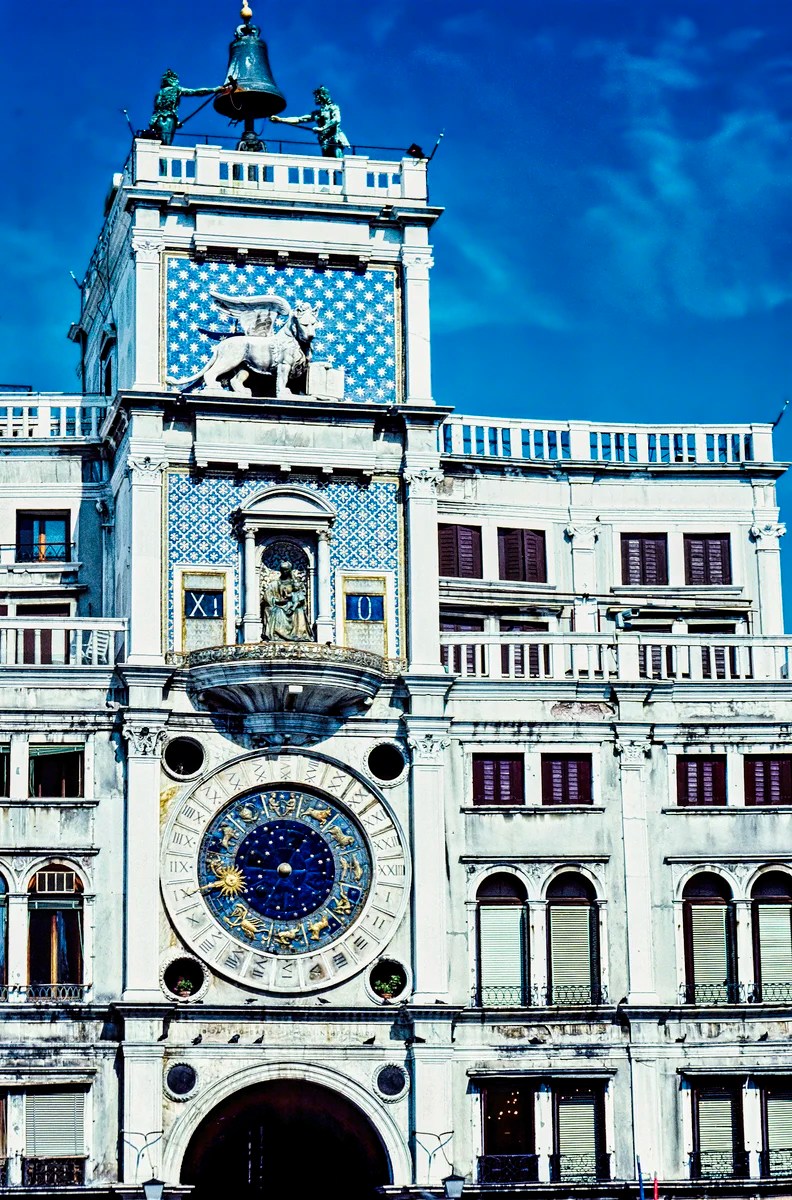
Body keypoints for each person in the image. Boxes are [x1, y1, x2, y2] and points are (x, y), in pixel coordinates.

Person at [146, 69, 233, 146]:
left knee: (159, 145)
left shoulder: (159, 93)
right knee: (166, 145)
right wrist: (214, 90)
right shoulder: (176, 89)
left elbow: (158, 108)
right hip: (169, 118)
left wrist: (175, 122)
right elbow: (196, 92)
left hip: (156, 120)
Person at [270, 86, 350, 158]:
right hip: (324, 141)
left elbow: (336, 119)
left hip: (334, 138)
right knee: (328, 164)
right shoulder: (317, 114)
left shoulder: (333, 107)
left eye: (316, 96)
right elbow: (299, 119)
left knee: (338, 158)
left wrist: (322, 128)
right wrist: (280, 120)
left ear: (322, 95)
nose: (315, 98)